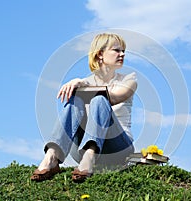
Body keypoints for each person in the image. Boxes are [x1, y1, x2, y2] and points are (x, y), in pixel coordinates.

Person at [31, 33, 137, 182]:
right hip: (81, 147)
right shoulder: (83, 82)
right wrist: (79, 83)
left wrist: (82, 84)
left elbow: (113, 97)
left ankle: (90, 156)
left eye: (123, 51)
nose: (122, 54)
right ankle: (52, 156)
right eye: (116, 50)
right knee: (75, 99)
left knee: (100, 99)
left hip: (118, 149)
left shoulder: (128, 80)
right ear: (100, 54)